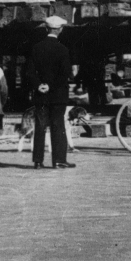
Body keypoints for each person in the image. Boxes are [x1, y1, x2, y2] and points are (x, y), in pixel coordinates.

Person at [28, 15, 75, 169]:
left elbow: (29, 72)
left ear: (46, 28)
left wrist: (39, 85)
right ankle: (59, 160)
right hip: (57, 95)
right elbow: (65, 74)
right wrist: (51, 86)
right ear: (60, 30)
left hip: (40, 95)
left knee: (40, 128)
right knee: (58, 126)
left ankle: (38, 160)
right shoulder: (63, 49)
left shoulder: (36, 48)